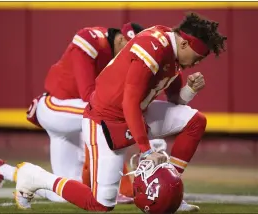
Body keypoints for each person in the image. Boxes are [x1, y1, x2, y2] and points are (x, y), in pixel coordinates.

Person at [12, 12, 227, 212]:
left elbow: (174, 100)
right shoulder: (154, 46)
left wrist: (189, 91)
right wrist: (145, 150)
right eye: (198, 56)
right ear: (184, 42)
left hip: (135, 114)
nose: (198, 62)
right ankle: (34, 177)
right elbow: (129, 102)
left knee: (195, 121)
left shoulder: (172, 51)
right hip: (106, 120)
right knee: (99, 204)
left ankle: (168, 186)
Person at [0, 22, 144, 203]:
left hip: (73, 119)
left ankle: (3, 170)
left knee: (66, 194)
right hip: (56, 106)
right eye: (130, 47)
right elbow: (88, 94)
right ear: (121, 39)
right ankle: (120, 187)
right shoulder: (92, 40)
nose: (132, 55)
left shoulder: (122, 59)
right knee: (108, 114)